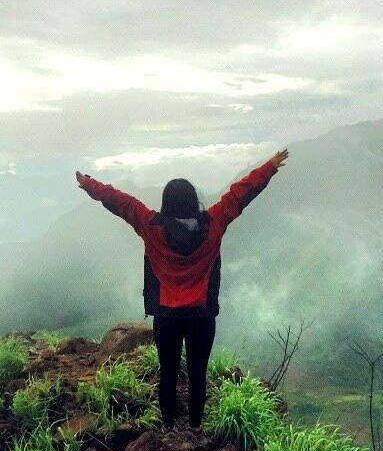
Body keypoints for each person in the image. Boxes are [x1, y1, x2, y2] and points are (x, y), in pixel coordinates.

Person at [75, 148, 289, 432]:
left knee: (168, 373)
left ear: (166, 203)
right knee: (198, 373)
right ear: (194, 202)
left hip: (167, 316)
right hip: (202, 315)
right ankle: (196, 427)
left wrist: (90, 185)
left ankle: (168, 427)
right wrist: (270, 167)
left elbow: (121, 202)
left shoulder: (151, 226)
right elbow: (241, 194)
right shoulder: (214, 223)